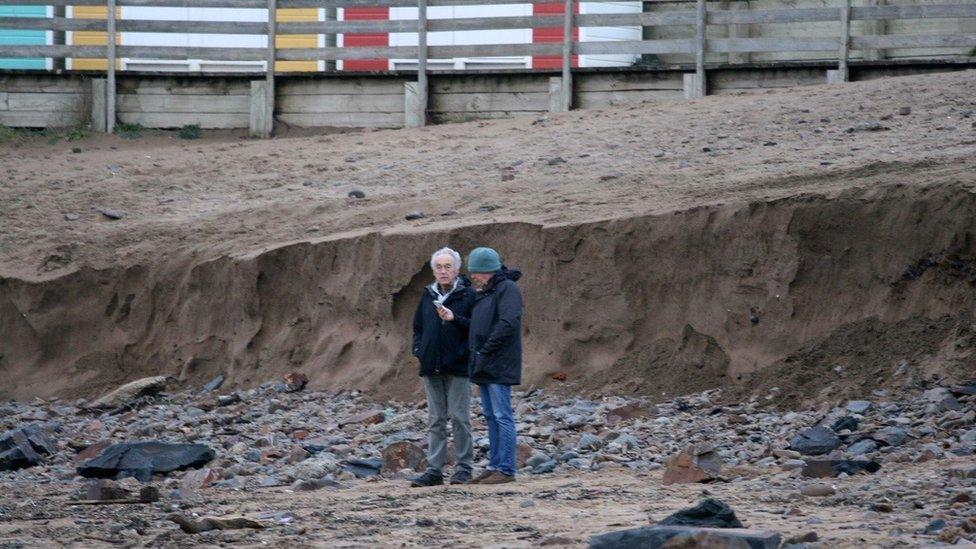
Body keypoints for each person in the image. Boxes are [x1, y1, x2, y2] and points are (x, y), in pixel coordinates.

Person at [410, 247, 476, 487]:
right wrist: (418, 350)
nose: (443, 271)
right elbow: (417, 327)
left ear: (457, 269)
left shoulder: (468, 295)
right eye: (439, 267)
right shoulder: (427, 295)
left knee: (460, 418)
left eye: (448, 266)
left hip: (458, 366)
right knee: (435, 419)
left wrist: (454, 319)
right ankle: (434, 470)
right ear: (433, 270)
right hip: (431, 366)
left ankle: (464, 468)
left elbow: (475, 327)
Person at [464, 247, 523, 485]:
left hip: (499, 363)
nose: (473, 277)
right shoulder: (486, 292)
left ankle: (507, 469)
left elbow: (508, 322)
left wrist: (486, 349)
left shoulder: (507, 289)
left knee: (502, 415)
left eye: (476, 273)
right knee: (490, 415)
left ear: (486, 270)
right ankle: (494, 465)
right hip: (484, 363)